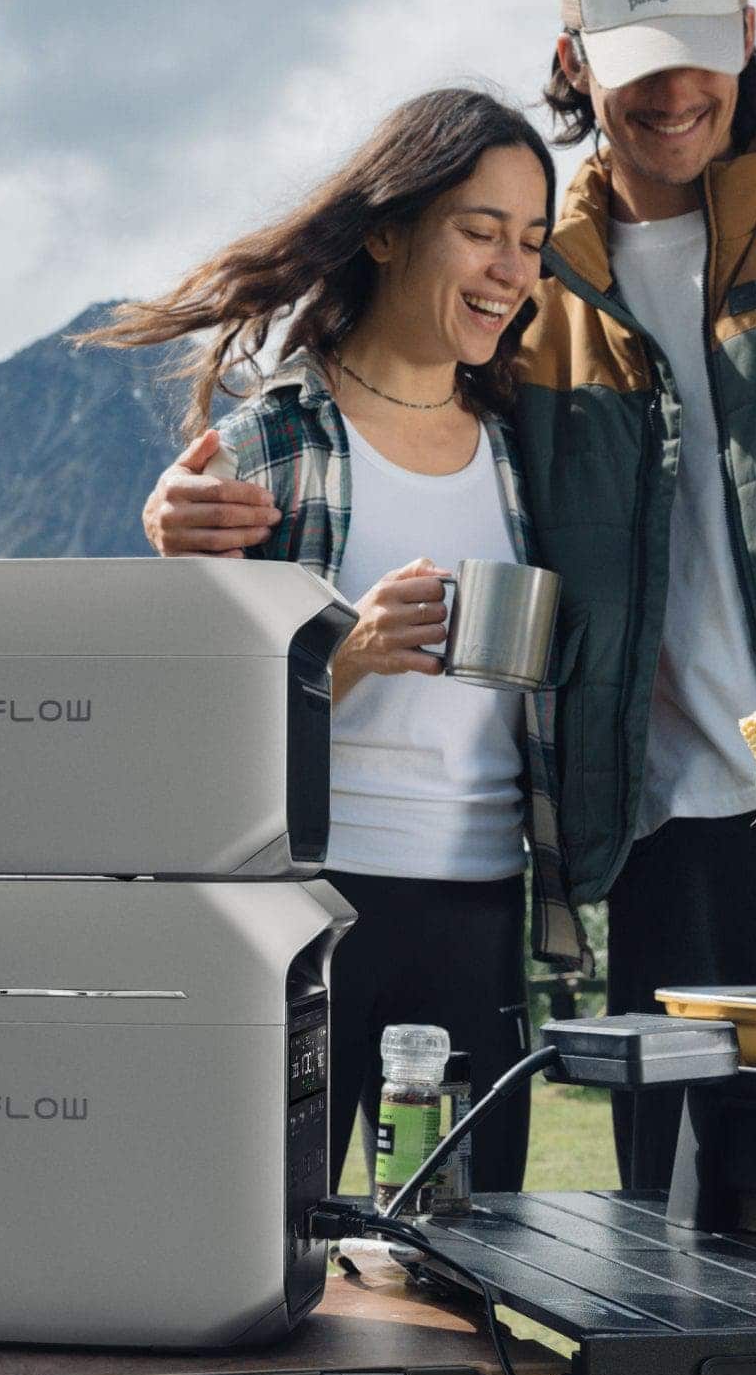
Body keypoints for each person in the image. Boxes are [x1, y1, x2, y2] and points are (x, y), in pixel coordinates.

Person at [143, 0, 756, 1190]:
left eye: (696, 53)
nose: (669, 92)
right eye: (630, 63)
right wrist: (188, 514)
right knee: (689, 1261)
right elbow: (375, 399)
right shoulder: (525, 283)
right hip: (669, 860)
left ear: (747, 34)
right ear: (572, 64)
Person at [83, 88, 584, 1196]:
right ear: (387, 230)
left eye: (533, 244)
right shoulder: (270, 442)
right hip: (312, 902)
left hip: (480, 898)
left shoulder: (523, 453)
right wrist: (343, 655)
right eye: (480, 231)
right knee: (266, 1233)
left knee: (472, 1256)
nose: (512, 270)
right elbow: (192, 733)